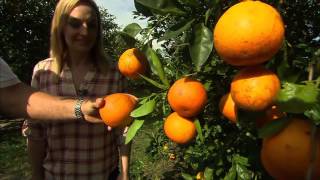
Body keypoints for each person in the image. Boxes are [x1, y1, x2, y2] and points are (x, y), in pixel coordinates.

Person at [22, 0, 130, 179]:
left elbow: (124, 129)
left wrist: (125, 173)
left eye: (92, 25)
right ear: (60, 26)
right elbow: (35, 131)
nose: (85, 31)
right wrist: (36, 174)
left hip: (102, 174)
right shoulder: (43, 72)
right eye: (75, 24)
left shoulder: (113, 73)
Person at [0, 57, 103, 123]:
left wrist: (81, 107)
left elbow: (14, 99)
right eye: (74, 25)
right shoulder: (43, 69)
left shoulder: (111, 71)